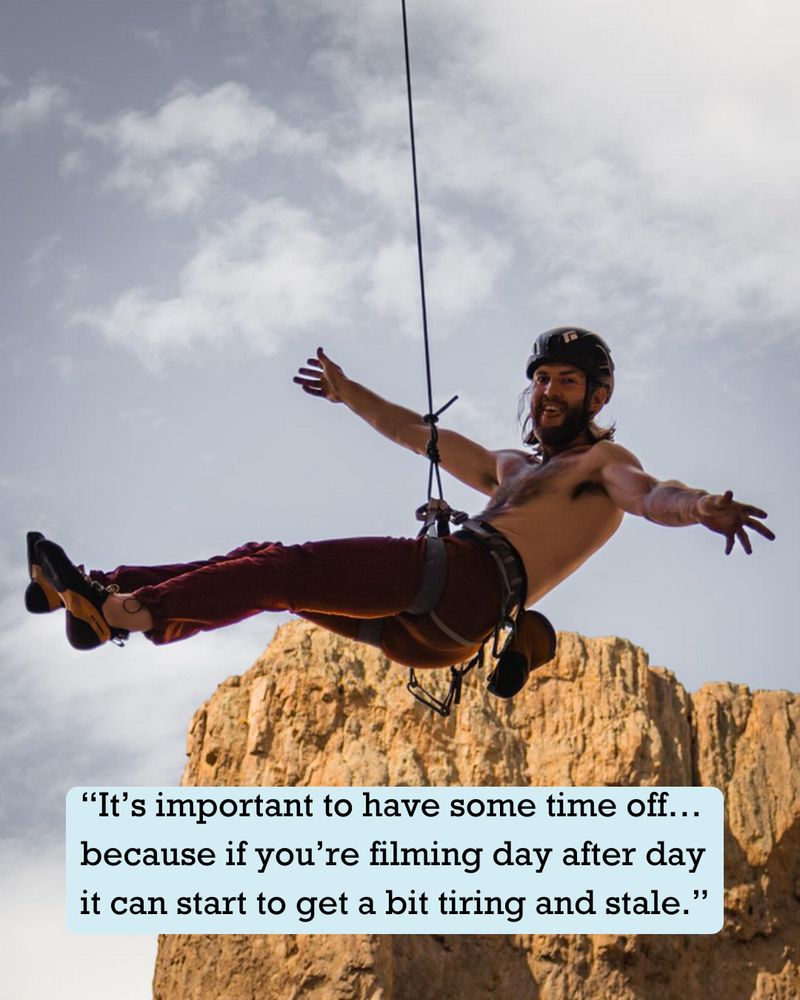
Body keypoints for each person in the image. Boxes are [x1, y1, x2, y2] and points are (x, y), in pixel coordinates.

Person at [26, 328, 774, 698]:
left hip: (469, 585)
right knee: (268, 571)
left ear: (597, 397)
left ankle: (121, 612)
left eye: (567, 381)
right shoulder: (513, 470)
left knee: (283, 569)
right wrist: (351, 394)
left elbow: (653, 497)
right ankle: (107, 593)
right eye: (541, 378)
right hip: (435, 638)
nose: (548, 391)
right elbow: (421, 434)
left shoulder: (603, 465)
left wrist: (702, 506)